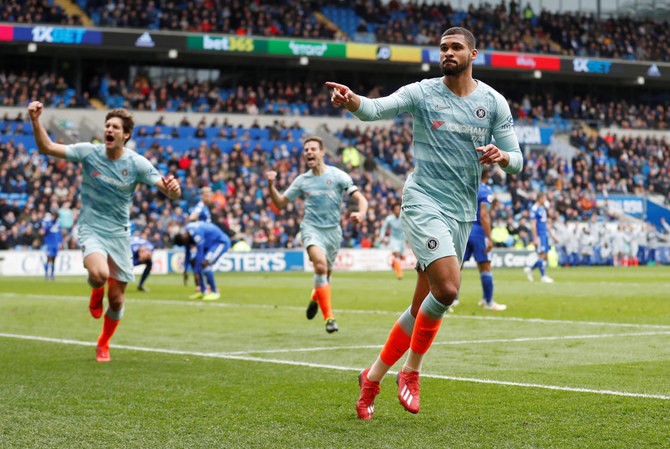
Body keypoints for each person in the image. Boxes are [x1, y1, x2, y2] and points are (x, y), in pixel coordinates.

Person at [326, 26, 523, 420]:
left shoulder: (494, 102)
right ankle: (411, 371)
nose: (447, 53)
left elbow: (517, 161)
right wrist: (352, 101)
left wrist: (501, 156)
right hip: (423, 201)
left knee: (421, 307)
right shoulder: (423, 91)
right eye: (443, 48)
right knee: (448, 290)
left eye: (455, 48)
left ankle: (371, 378)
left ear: (473, 54)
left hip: (462, 211)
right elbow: (376, 108)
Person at [28, 101, 182, 363]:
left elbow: (170, 192)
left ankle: (103, 343)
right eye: (107, 125)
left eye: (115, 127)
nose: (109, 129)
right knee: (99, 275)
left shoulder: (137, 163)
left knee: (118, 301)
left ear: (126, 135)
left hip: (120, 234)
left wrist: (174, 189)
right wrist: (35, 120)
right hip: (92, 228)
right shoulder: (89, 152)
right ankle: (96, 289)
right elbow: (47, 147)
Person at [265, 136, 368, 334]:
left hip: (333, 231)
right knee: (320, 266)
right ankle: (329, 318)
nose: (309, 153)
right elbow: (280, 203)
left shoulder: (338, 176)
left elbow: (360, 199)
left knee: (325, 275)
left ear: (322, 153)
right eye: (306, 150)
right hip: (311, 229)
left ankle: (315, 296)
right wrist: (271, 185)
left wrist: (361, 214)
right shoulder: (302, 181)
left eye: (313, 149)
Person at [461, 168, 507, 311]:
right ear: (488, 176)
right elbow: (484, 215)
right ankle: (488, 302)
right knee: (485, 266)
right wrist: (489, 237)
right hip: (478, 232)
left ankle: (448, 302)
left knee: (456, 267)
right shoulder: (486, 191)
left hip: (463, 229)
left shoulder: (466, 187)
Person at [173, 221, 231, 301]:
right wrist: (185, 270)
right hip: (210, 245)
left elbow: (200, 252)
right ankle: (203, 291)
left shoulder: (196, 233)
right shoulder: (186, 235)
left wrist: (196, 272)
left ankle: (215, 292)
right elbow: (187, 254)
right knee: (194, 261)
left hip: (220, 242)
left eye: (185, 243)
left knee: (204, 263)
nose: (186, 245)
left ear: (185, 238)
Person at [523, 192, 555, 282]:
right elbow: (533, 224)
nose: (545, 200)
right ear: (540, 198)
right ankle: (543, 276)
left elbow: (545, 223)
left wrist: (552, 235)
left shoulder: (542, 209)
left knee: (544, 255)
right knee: (541, 255)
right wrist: (535, 237)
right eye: (544, 198)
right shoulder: (534, 209)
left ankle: (530, 269)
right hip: (539, 235)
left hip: (544, 234)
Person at [187, 186, 213, 290]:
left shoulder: (205, 207)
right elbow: (192, 217)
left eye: (210, 195)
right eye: (207, 196)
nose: (209, 198)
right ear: (202, 196)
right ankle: (203, 285)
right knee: (201, 261)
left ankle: (202, 285)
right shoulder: (200, 206)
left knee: (200, 261)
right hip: (204, 239)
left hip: (207, 239)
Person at [379, 202, 406, 280]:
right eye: (396, 209)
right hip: (393, 239)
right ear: (393, 211)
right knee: (396, 253)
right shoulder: (389, 219)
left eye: (399, 209)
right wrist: (382, 237)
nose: (397, 211)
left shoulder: (404, 217)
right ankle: (399, 274)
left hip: (402, 239)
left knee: (400, 256)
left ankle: (394, 264)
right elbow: (384, 228)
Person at [41, 212, 62, 281]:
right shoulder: (48, 223)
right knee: (48, 258)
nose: (55, 217)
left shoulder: (58, 224)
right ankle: (46, 274)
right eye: (54, 216)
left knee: (54, 259)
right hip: (49, 243)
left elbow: (59, 234)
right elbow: (44, 231)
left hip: (55, 244)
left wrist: (60, 242)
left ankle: (52, 275)